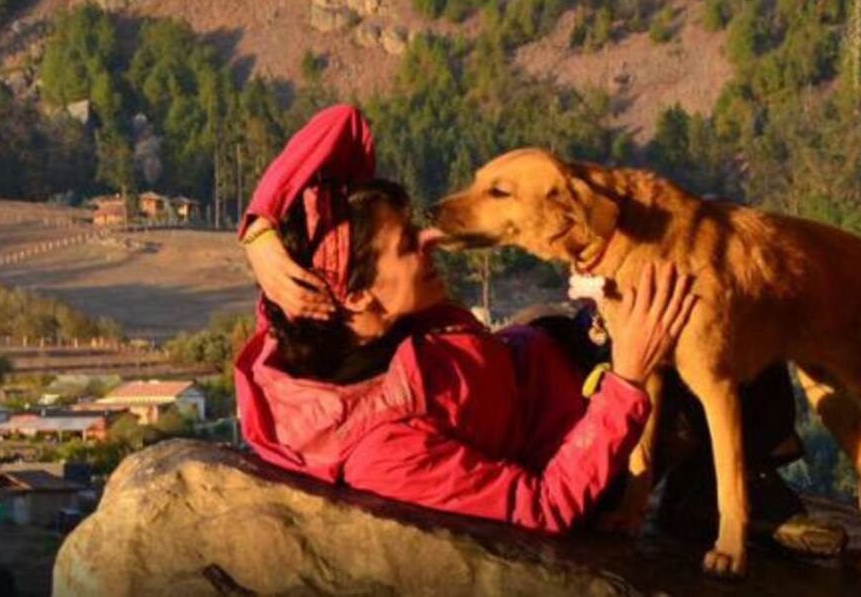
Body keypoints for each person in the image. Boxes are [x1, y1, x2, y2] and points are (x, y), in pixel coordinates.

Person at [234, 104, 697, 533]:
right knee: (717, 379)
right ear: (357, 296)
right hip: (590, 436)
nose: (430, 241)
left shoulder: (308, 309)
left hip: (546, 352)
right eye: (408, 245)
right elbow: (542, 506)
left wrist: (259, 229)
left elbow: (345, 124)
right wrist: (628, 380)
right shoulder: (384, 451)